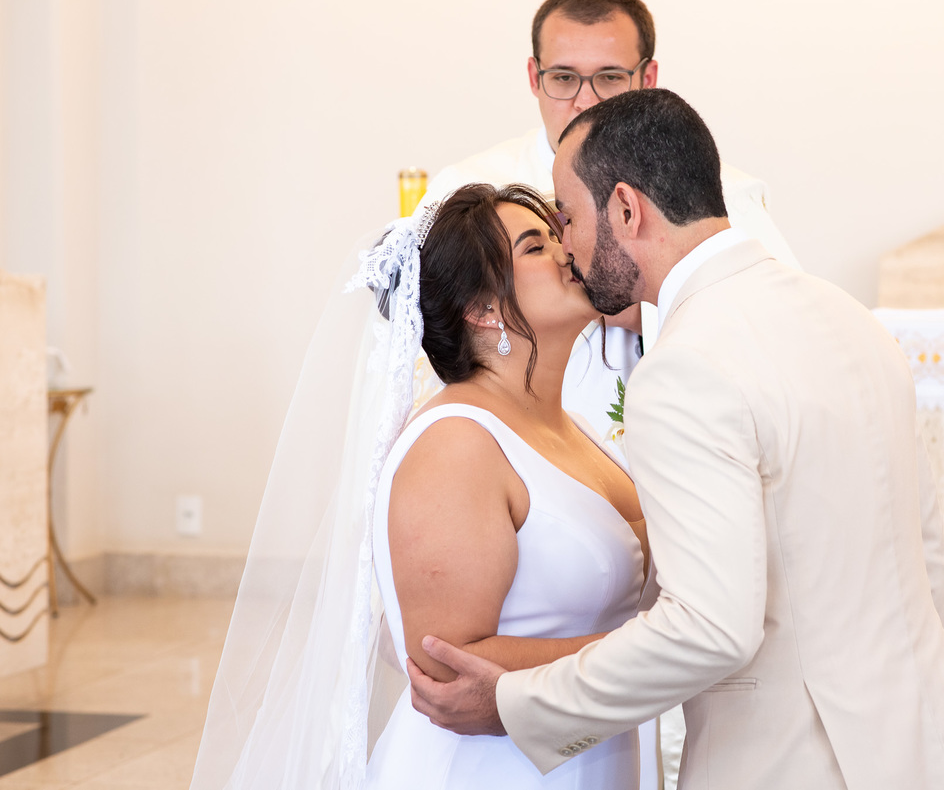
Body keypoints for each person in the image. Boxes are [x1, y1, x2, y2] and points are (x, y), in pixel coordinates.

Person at [407, 89, 944, 790]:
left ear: (628, 210)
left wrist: (517, 705)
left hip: (796, 762)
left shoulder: (685, 366)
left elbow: (711, 629)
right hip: (929, 746)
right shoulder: (849, 318)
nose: (570, 248)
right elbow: (926, 556)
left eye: (569, 218)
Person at [190, 183, 651, 789]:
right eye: (536, 245)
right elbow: (443, 666)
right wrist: (658, 656)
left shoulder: (576, 428)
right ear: (483, 309)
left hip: (589, 757)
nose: (568, 250)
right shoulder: (456, 443)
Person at [419, 0, 799, 443]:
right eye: (563, 78)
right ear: (534, 77)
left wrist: (654, 301)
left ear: (648, 76)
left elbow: (782, 338)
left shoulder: (719, 191)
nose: (586, 101)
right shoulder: (462, 189)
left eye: (610, 77)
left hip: (678, 445)